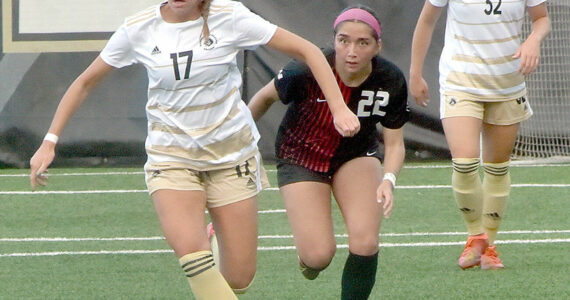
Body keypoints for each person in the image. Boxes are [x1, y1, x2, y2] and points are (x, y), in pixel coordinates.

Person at [29, 0, 361, 299]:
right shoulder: (138, 28)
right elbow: (85, 82)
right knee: (195, 260)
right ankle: (201, 247)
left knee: (239, 280)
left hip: (232, 156)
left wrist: (339, 108)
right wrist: (50, 141)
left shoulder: (229, 16)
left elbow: (309, 51)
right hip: (171, 157)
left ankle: (214, 238)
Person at [248, 5, 409, 299]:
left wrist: (389, 179)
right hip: (301, 156)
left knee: (365, 242)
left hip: (355, 156)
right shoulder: (304, 70)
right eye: (344, 40)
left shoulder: (390, 80)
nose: (352, 51)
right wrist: (238, 144)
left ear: (378, 46)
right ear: (333, 40)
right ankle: (309, 259)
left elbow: (395, 143)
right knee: (318, 256)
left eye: (363, 43)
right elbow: (262, 99)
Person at [410, 0, 550, 270]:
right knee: (464, 163)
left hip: (507, 85)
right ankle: (475, 235)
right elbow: (427, 21)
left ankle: (489, 248)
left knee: (497, 168)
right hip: (460, 82)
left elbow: (541, 19)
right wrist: (415, 73)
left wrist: (534, 39)